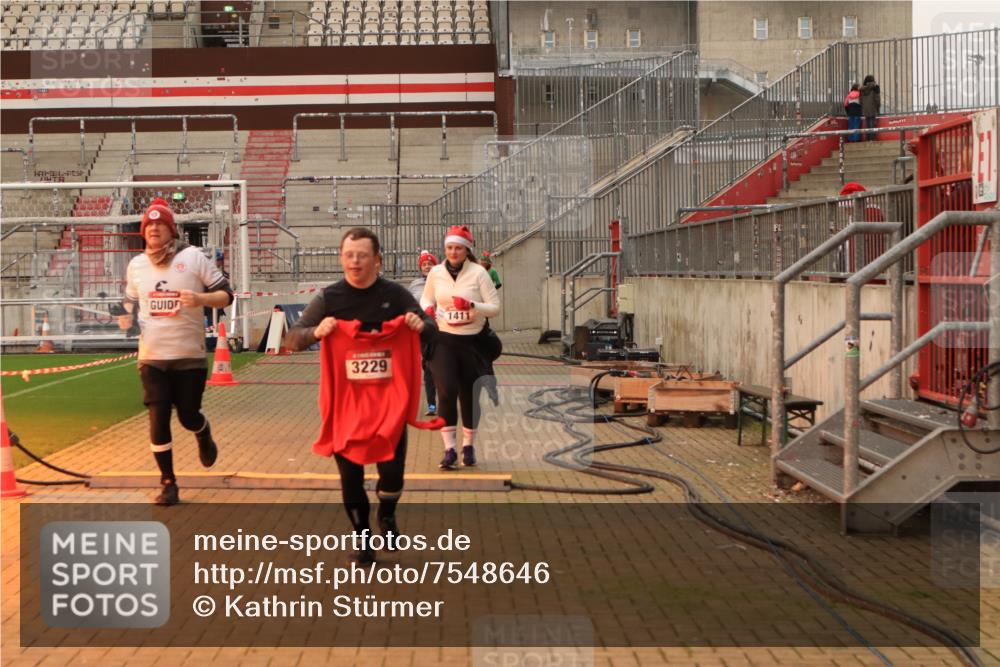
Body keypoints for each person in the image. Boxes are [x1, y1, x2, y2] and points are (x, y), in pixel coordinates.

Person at [284, 227, 437, 564]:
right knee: (350, 478)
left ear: (377, 260)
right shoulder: (329, 298)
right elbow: (292, 340)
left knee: (392, 474)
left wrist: (419, 325)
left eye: (362, 255)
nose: (355, 261)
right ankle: (363, 539)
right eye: (349, 255)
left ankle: (388, 513)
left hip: (389, 405)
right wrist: (315, 331)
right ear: (341, 258)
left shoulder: (395, 295)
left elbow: (432, 328)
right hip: (346, 406)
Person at [119, 198, 234, 506]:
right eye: (149, 225)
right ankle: (168, 482)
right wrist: (125, 313)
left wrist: (199, 299)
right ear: (143, 232)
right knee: (158, 416)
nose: (154, 229)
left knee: (187, 415)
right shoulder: (137, 266)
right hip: (152, 356)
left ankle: (203, 430)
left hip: (188, 357)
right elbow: (128, 300)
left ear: (171, 230)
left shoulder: (192, 257)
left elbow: (227, 295)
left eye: (160, 224)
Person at [420, 225, 501, 469]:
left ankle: (468, 446)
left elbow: (495, 307)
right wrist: (428, 308)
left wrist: (472, 305)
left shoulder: (479, 273)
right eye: (449, 248)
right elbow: (426, 297)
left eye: (458, 248)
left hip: (472, 341)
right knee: (446, 390)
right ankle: (449, 450)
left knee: (469, 393)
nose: (453, 252)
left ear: (467, 250)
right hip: (444, 340)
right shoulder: (435, 272)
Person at [409, 250, 439, 415]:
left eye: (430, 263)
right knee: (427, 367)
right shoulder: (415, 284)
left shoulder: (442, 281)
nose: (427, 266)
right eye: (424, 264)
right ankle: (431, 405)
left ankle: (446, 398)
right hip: (423, 331)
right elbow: (409, 305)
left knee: (441, 366)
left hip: (441, 329)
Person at [860, 74, 881, 141]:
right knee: (872, 124)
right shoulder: (875, 88)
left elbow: (860, 100)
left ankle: (868, 138)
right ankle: (872, 139)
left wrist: (863, 107)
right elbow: (877, 99)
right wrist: (878, 107)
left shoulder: (862, 89)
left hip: (865, 109)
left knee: (868, 124)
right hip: (873, 108)